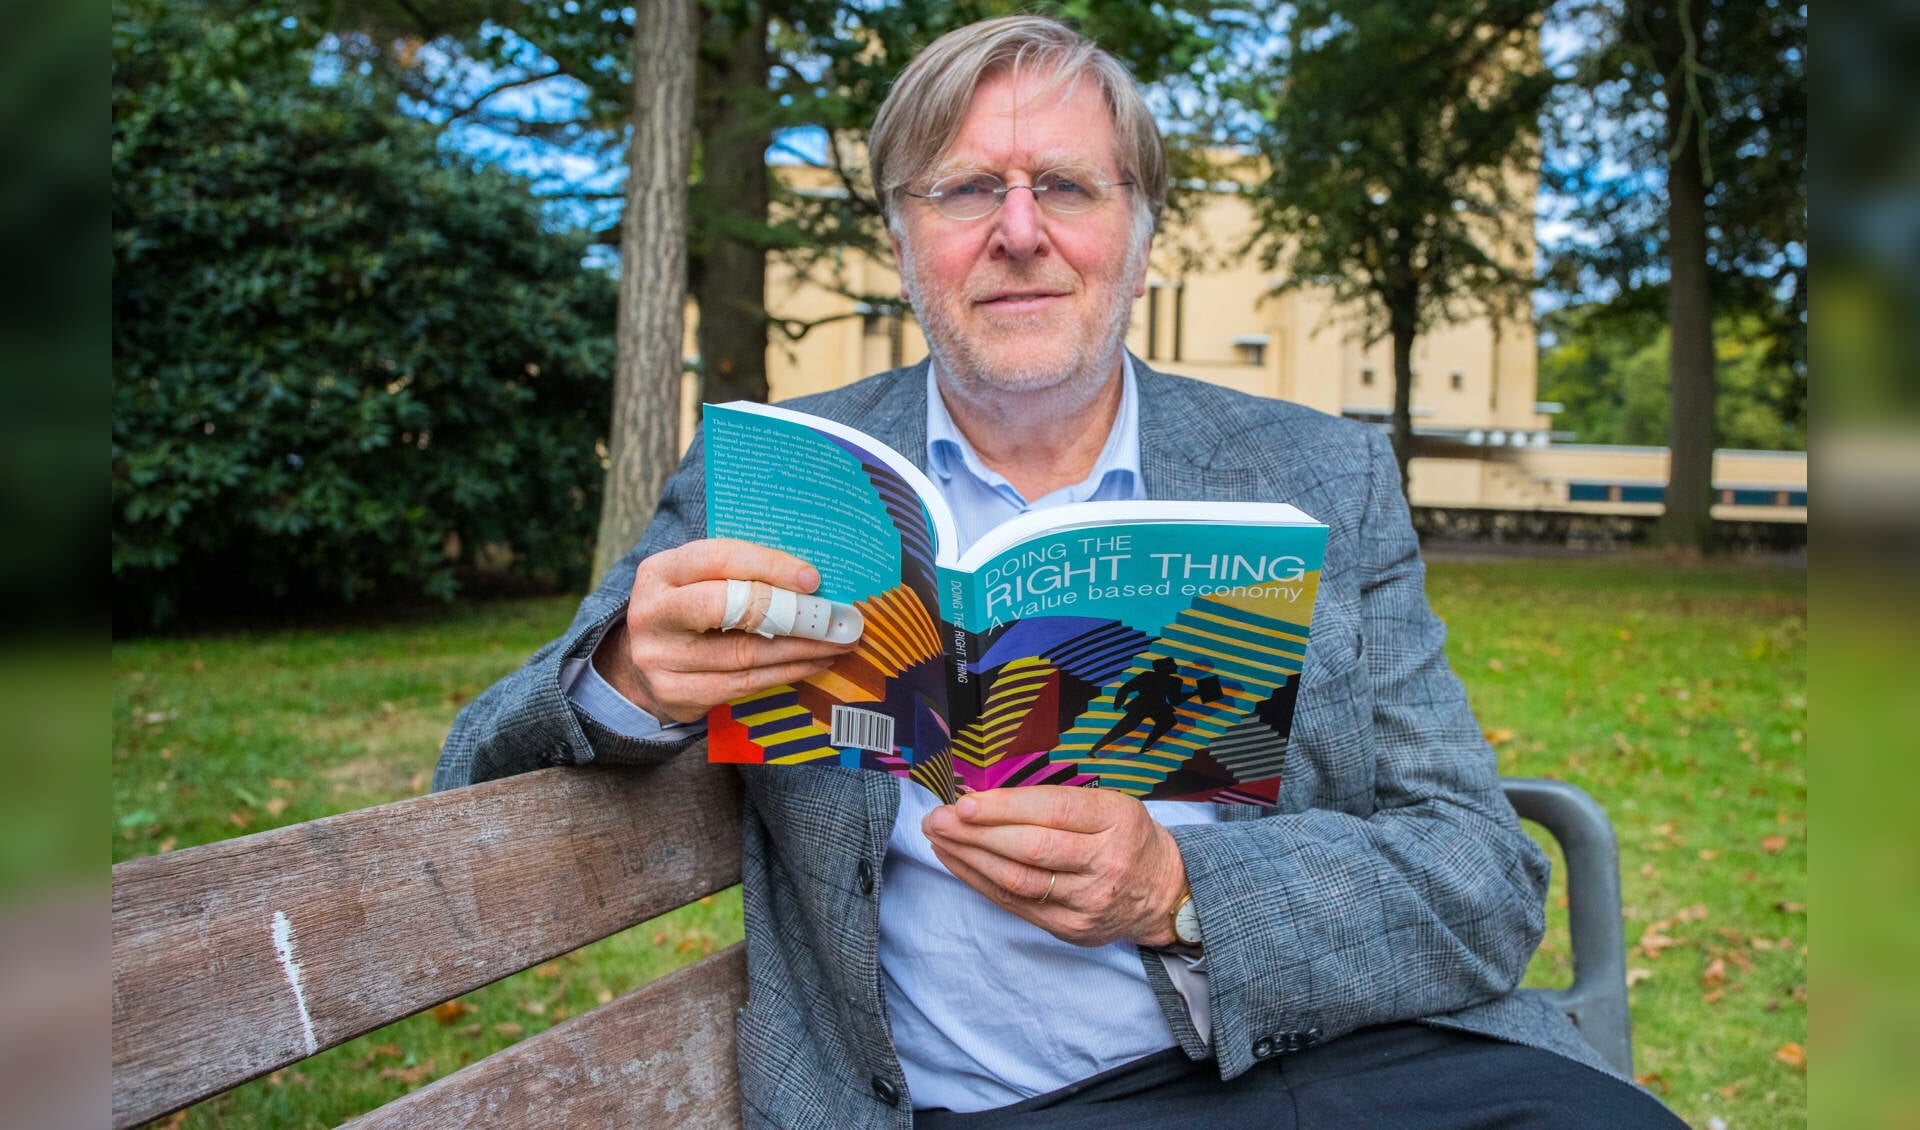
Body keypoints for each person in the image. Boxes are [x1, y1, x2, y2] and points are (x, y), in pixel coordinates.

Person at [435, 16, 1684, 1128]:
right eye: (967, 187)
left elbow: (1484, 875)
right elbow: (470, 779)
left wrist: (1180, 888)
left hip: (1359, 1059)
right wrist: (624, 678)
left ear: (1142, 237)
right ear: (900, 235)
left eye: (1068, 188)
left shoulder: (1316, 477)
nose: (1019, 233)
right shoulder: (772, 478)